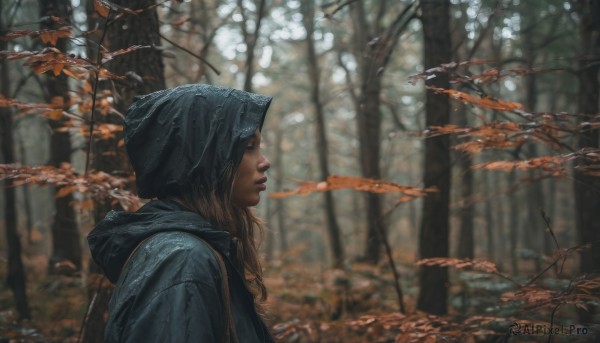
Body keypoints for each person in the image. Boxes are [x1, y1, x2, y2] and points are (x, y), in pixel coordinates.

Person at [87, 84, 275, 342]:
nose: (265, 161)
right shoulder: (182, 261)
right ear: (207, 157)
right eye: (248, 147)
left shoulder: (190, 250)